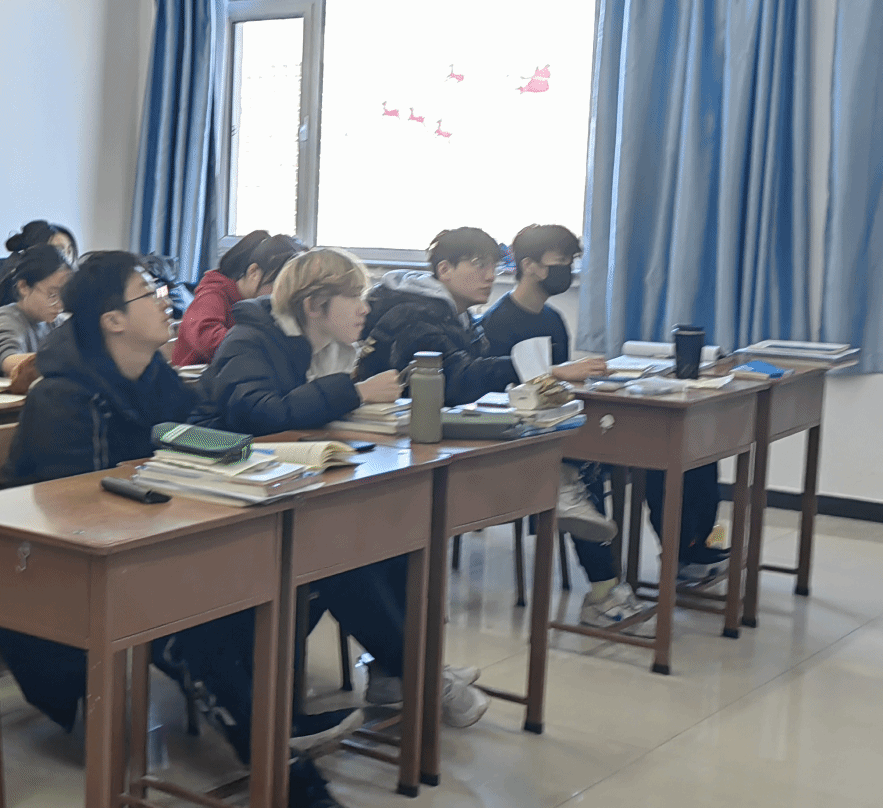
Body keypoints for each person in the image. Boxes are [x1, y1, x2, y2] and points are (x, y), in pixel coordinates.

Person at [1, 251, 362, 808]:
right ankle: (298, 784)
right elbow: (82, 516)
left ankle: (283, 729)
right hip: (57, 575)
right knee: (196, 627)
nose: (166, 299)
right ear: (113, 320)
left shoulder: (155, 378)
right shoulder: (62, 399)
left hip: (148, 551)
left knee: (274, 579)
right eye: (148, 293)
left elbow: (194, 444)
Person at [199, 247, 487, 728]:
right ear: (314, 306)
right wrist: (353, 392)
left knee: (394, 538)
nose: (365, 309)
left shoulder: (329, 349)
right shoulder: (250, 340)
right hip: (229, 503)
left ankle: (393, 675)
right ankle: (421, 675)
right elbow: (263, 415)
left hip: (289, 493)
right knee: (340, 562)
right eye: (354, 298)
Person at [479, 226, 703, 616]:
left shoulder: (552, 319)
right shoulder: (495, 324)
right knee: (586, 468)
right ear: (529, 266)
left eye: (571, 261)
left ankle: (691, 552)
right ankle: (603, 592)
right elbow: (498, 391)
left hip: (557, 424)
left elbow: (558, 390)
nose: (567, 269)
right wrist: (557, 376)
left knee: (660, 456)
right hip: (521, 436)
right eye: (559, 262)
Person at [355, 227, 605, 403]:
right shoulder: (412, 315)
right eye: (479, 264)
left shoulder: (462, 318)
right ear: (445, 269)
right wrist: (549, 371)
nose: (490, 276)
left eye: (494, 267)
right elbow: (458, 379)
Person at [173, 230, 304, 368]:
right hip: (197, 378)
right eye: (278, 285)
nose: (284, 293)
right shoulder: (212, 294)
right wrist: (261, 347)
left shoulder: (259, 305)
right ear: (253, 272)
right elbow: (206, 337)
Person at [0, 220, 78, 359]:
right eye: (59, 250)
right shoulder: (10, 297)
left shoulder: (51, 315)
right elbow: (9, 358)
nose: (67, 258)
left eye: (69, 251)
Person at [0, 243, 73, 379]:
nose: (60, 305)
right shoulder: (4, 319)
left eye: (64, 294)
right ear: (23, 287)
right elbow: (10, 362)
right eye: (52, 295)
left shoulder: (57, 322)